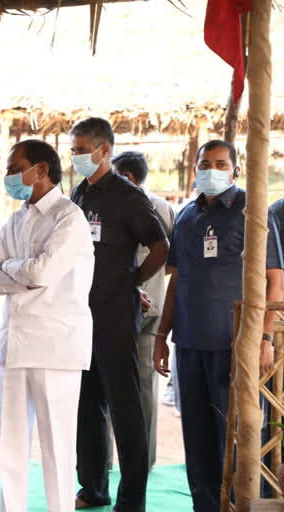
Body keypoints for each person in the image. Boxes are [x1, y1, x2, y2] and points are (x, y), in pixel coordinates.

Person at [153, 140, 284, 512]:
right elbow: (176, 279)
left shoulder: (252, 211)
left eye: (221, 163)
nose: (212, 169)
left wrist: (261, 338)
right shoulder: (185, 215)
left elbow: (275, 281)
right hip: (190, 343)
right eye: (205, 163)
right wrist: (162, 336)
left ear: (236, 170)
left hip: (235, 345)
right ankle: (206, 507)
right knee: (196, 437)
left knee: (242, 437)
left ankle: (242, 506)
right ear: (194, 168)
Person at [0, 140, 94, 512]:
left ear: (42, 170)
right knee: (10, 445)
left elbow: (43, 272)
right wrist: (22, 270)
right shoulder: (15, 219)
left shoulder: (69, 217)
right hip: (13, 343)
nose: (10, 176)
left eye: (16, 168)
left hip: (54, 344)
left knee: (57, 446)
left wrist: (14, 267)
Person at [69, 118, 169, 512]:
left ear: (103, 150)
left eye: (80, 149)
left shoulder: (128, 196)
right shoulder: (80, 192)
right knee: (87, 405)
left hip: (115, 316)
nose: (75, 156)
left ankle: (131, 500)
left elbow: (160, 247)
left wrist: (132, 282)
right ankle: (93, 487)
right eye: (72, 149)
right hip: (81, 315)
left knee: (125, 409)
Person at [111, 150, 175, 471]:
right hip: (152, 306)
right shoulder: (166, 207)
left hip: (122, 305)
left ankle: (109, 460)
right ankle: (143, 461)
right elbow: (167, 262)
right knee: (145, 387)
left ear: (129, 178)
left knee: (112, 382)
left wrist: (131, 282)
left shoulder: (124, 203)